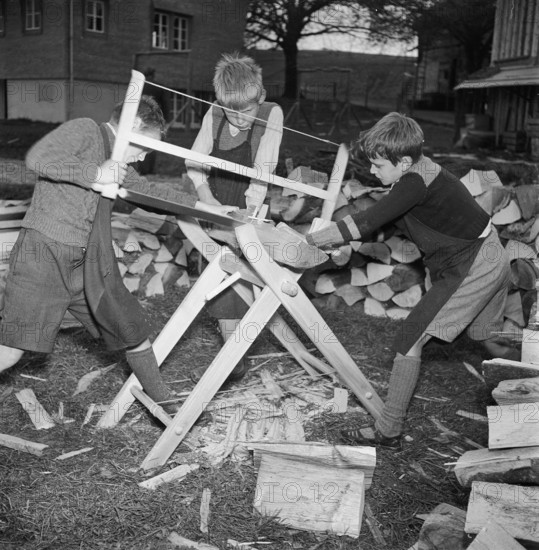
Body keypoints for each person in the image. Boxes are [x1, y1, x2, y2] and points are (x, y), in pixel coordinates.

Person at [0, 95, 236, 415]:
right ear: (134, 126)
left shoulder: (119, 164)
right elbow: (39, 157)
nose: (142, 158)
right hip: (43, 256)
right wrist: (98, 173)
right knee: (10, 351)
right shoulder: (85, 130)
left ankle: (165, 402)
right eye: (144, 147)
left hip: (89, 264)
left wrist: (210, 209)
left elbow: (152, 192)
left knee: (131, 327)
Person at [306, 111, 518, 447]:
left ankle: (388, 430)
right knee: (489, 338)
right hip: (491, 254)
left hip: (475, 265)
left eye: (378, 165)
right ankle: (528, 393)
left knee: (410, 339)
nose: (373, 172)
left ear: (404, 161)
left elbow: (367, 221)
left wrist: (309, 241)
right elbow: (385, 216)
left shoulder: (414, 183)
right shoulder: (419, 172)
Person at [186, 52, 283, 380]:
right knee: (217, 273)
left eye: (248, 110)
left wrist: (246, 216)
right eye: (232, 111)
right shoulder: (214, 116)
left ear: (262, 96)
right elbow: (195, 160)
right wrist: (209, 201)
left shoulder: (272, 114)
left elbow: (264, 171)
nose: (241, 119)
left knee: (240, 274)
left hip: (248, 203)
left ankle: (234, 356)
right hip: (215, 198)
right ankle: (235, 354)